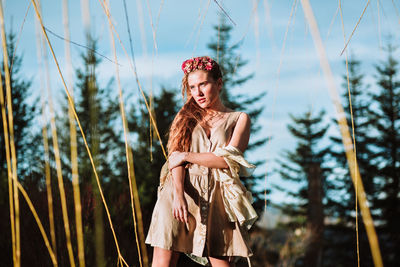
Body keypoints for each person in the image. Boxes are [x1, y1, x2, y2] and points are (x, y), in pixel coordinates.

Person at [145, 56, 258, 267]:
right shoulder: (184, 116)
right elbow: (174, 160)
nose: (197, 93)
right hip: (180, 193)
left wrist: (187, 156)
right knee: (163, 262)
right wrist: (178, 194)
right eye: (192, 87)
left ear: (219, 83)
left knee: (222, 263)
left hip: (218, 198)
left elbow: (227, 160)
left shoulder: (239, 118)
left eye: (203, 84)